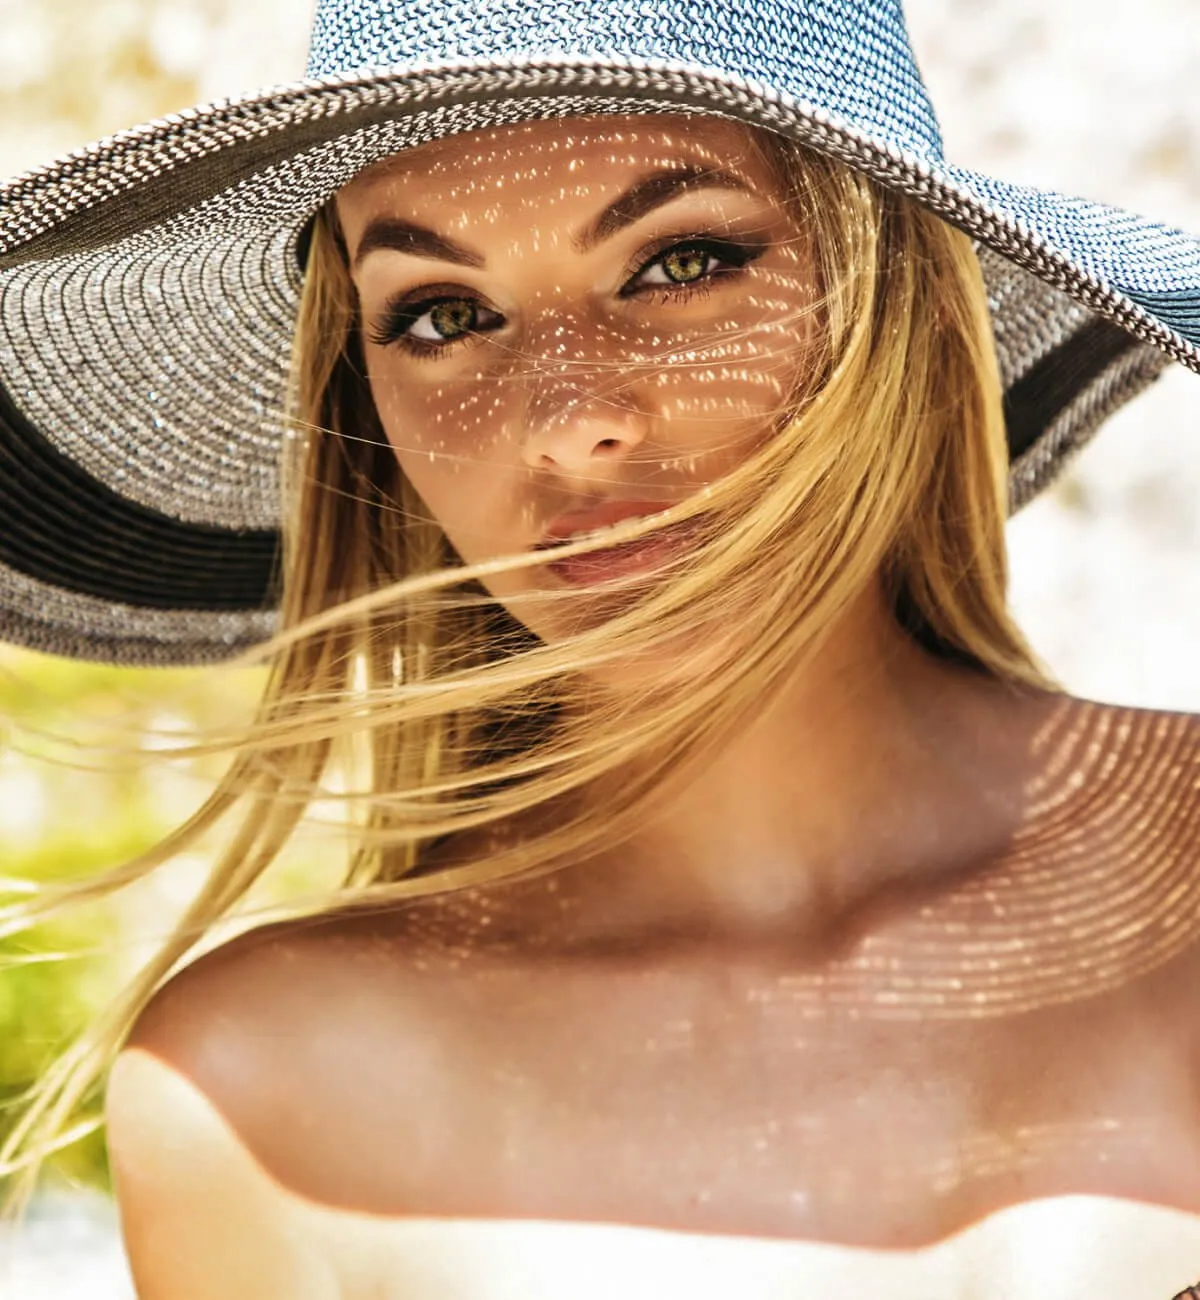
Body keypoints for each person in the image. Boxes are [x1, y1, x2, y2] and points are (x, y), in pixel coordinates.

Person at [1, 1, 1198, 1297]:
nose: (569, 425)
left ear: (886, 295)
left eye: (679, 262)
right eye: (444, 317)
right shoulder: (265, 1097)